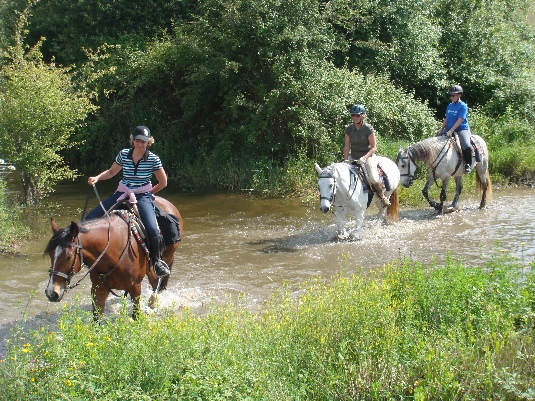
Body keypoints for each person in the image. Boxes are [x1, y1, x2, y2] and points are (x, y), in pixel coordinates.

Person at [85, 126, 170, 277]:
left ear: (148, 142)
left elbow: (163, 182)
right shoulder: (123, 154)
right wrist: (97, 178)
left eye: (143, 141)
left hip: (143, 196)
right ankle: (89, 258)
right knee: (89, 219)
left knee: (152, 228)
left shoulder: (153, 159)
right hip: (123, 192)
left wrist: (148, 193)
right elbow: (111, 172)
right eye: (137, 141)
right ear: (133, 140)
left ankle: (156, 262)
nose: (140, 144)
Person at [343, 104, 390, 207]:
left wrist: (364, 158)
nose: (355, 117)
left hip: (367, 156)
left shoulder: (368, 129)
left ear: (362, 116)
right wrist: (345, 160)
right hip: (353, 156)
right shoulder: (348, 129)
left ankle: (382, 196)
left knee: (373, 178)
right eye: (353, 115)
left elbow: (373, 147)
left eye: (357, 115)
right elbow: (347, 146)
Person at [436, 85, 473, 173]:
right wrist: (441, 129)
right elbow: (447, 118)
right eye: (450, 95)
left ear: (459, 95)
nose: (451, 97)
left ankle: (468, 164)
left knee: (466, 145)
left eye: (453, 95)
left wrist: (451, 131)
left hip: (461, 129)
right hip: (449, 128)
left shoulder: (463, 106)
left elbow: (460, 120)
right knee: (436, 139)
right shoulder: (450, 105)